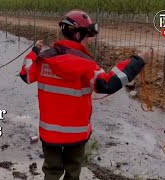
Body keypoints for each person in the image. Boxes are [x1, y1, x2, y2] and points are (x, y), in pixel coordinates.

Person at [19, 10, 154, 180]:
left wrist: (34, 51)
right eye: (87, 37)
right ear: (77, 35)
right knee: (73, 171)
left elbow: (25, 74)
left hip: (49, 133)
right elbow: (108, 83)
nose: (88, 41)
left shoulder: (43, 60)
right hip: (77, 135)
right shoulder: (88, 66)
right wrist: (139, 61)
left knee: (51, 171)